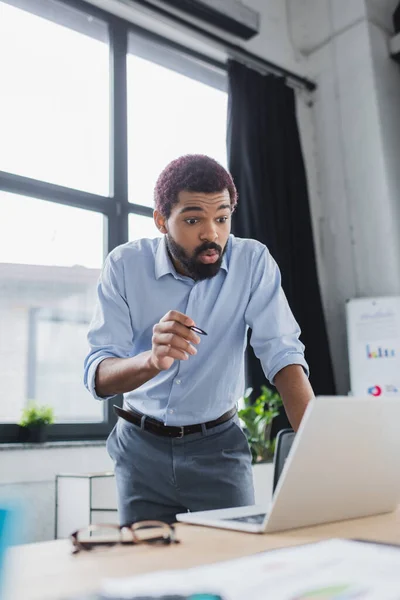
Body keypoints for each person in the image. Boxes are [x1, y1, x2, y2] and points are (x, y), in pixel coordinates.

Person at [84, 154, 314, 525]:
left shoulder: (252, 262)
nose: (212, 234)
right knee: (148, 572)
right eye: (193, 220)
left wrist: (317, 448)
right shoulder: (124, 266)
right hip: (140, 450)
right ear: (161, 220)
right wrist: (150, 360)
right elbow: (98, 373)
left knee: (236, 568)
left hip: (219, 448)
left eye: (222, 218)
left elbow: (283, 355)